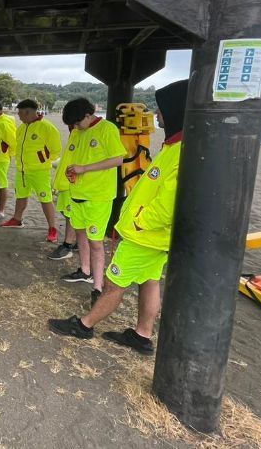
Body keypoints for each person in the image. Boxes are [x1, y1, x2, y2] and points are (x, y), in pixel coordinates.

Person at [47, 80, 188, 355]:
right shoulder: (174, 145)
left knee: (114, 283)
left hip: (144, 235)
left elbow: (169, 203)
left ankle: (84, 325)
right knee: (150, 282)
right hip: (150, 235)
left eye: (160, 111)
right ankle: (142, 335)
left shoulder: (183, 151)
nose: (156, 116)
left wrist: (139, 221)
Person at [60, 98, 126, 306]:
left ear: (89, 116)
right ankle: (84, 271)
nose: (76, 127)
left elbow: (118, 159)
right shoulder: (78, 131)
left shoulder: (107, 129)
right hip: (77, 192)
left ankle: (97, 287)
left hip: (98, 197)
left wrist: (85, 169)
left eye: (78, 123)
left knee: (96, 242)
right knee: (80, 233)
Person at [1, 99, 62, 243]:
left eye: (20, 113)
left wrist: (41, 159)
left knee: (45, 199)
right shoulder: (21, 128)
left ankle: (52, 228)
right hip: (21, 170)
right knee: (21, 196)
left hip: (39, 172)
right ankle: (17, 219)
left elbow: (55, 151)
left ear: (28, 112)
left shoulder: (47, 127)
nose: (19, 116)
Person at [47, 124, 79, 260]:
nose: (71, 128)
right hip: (65, 184)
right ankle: (75, 241)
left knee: (70, 215)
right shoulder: (75, 138)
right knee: (68, 213)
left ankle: (68, 245)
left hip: (71, 185)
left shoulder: (82, 140)